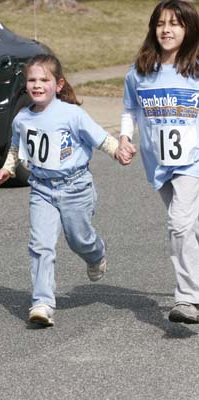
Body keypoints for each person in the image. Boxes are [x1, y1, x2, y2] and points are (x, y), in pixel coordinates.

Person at [0, 54, 134, 327]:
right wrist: (6, 169)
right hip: (42, 190)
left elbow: (100, 137)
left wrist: (118, 151)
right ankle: (42, 303)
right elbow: (16, 150)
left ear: (58, 84)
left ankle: (96, 254)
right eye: (32, 80)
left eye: (44, 79)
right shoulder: (21, 119)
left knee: (80, 240)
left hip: (76, 187)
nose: (37, 84)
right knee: (40, 245)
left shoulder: (72, 114)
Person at [119, 0, 199, 324]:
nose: (167, 30)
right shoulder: (139, 72)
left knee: (179, 224)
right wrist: (125, 137)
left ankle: (187, 299)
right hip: (159, 164)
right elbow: (129, 109)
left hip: (193, 162)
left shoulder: (196, 70)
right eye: (161, 23)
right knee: (190, 228)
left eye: (175, 24)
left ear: (189, 30)